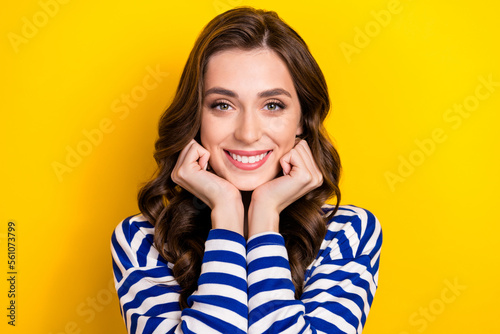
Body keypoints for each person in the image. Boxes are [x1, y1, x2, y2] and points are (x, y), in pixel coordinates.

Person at [111, 6, 382, 334]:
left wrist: (264, 217)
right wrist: (226, 214)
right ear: (196, 117)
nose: (248, 133)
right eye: (223, 105)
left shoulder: (348, 234)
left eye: (272, 106)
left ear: (301, 121)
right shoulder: (143, 240)